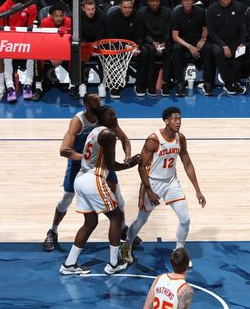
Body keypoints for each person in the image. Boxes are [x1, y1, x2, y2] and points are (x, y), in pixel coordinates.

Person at [44, 94, 131, 252]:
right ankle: (53, 231)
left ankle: (124, 229)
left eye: (99, 99)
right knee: (66, 198)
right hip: (79, 163)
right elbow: (64, 150)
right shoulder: (78, 121)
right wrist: (85, 158)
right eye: (94, 100)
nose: (99, 101)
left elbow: (124, 138)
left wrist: (127, 157)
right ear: (86, 104)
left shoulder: (104, 117)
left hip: (101, 163)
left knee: (119, 197)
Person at [122, 106, 206, 268]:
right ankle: (126, 245)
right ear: (166, 121)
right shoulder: (153, 140)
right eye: (175, 119)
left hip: (171, 182)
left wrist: (197, 190)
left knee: (185, 219)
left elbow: (187, 163)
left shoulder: (180, 139)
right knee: (142, 219)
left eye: (180, 119)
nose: (178, 122)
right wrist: (149, 191)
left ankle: (179, 252)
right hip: (152, 182)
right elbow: (141, 167)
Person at [60, 105, 140, 275]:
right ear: (103, 119)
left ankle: (69, 264)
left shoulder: (94, 132)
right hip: (93, 178)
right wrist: (131, 163)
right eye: (112, 115)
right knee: (116, 217)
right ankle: (113, 264)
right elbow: (111, 166)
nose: (116, 117)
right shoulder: (108, 134)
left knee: (90, 222)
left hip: (81, 179)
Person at [0, 0, 36, 102]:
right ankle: (10, 87)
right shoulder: (4, 8)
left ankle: (28, 84)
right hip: (9, 40)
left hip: (26, 39)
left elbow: (31, 28)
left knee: (33, 53)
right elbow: (1, 30)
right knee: (6, 56)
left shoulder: (31, 5)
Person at [206, 0, 248, 95]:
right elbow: (211, 32)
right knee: (217, 52)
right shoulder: (211, 9)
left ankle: (231, 83)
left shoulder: (239, 7)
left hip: (234, 40)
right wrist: (224, 46)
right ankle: (230, 83)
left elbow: (243, 28)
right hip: (218, 41)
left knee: (242, 51)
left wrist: (242, 43)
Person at [172, 0, 209, 96]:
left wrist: (202, 40)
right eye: (185, 1)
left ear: (193, 1)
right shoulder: (176, 14)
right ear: (181, 2)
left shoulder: (201, 12)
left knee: (208, 48)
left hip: (197, 40)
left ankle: (207, 82)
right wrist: (189, 47)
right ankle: (180, 83)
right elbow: (175, 37)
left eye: (189, 1)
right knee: (176, 48)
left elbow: (205, 29)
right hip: (183, 42)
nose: (187, 3)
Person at [137, 0, 173, 96]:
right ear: (148, 2)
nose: (154, 3)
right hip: (149, 41)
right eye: (152, 1)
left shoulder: (167, 12)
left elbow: (168, 31)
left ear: (159, 1)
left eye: (156, 0)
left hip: (163, 40)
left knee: (169, 50)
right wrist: (153, 43)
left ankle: (165, 83)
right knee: (150, 51)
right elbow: (142, 33)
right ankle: (151, 84)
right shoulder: (142, 12)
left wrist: (163, 43)